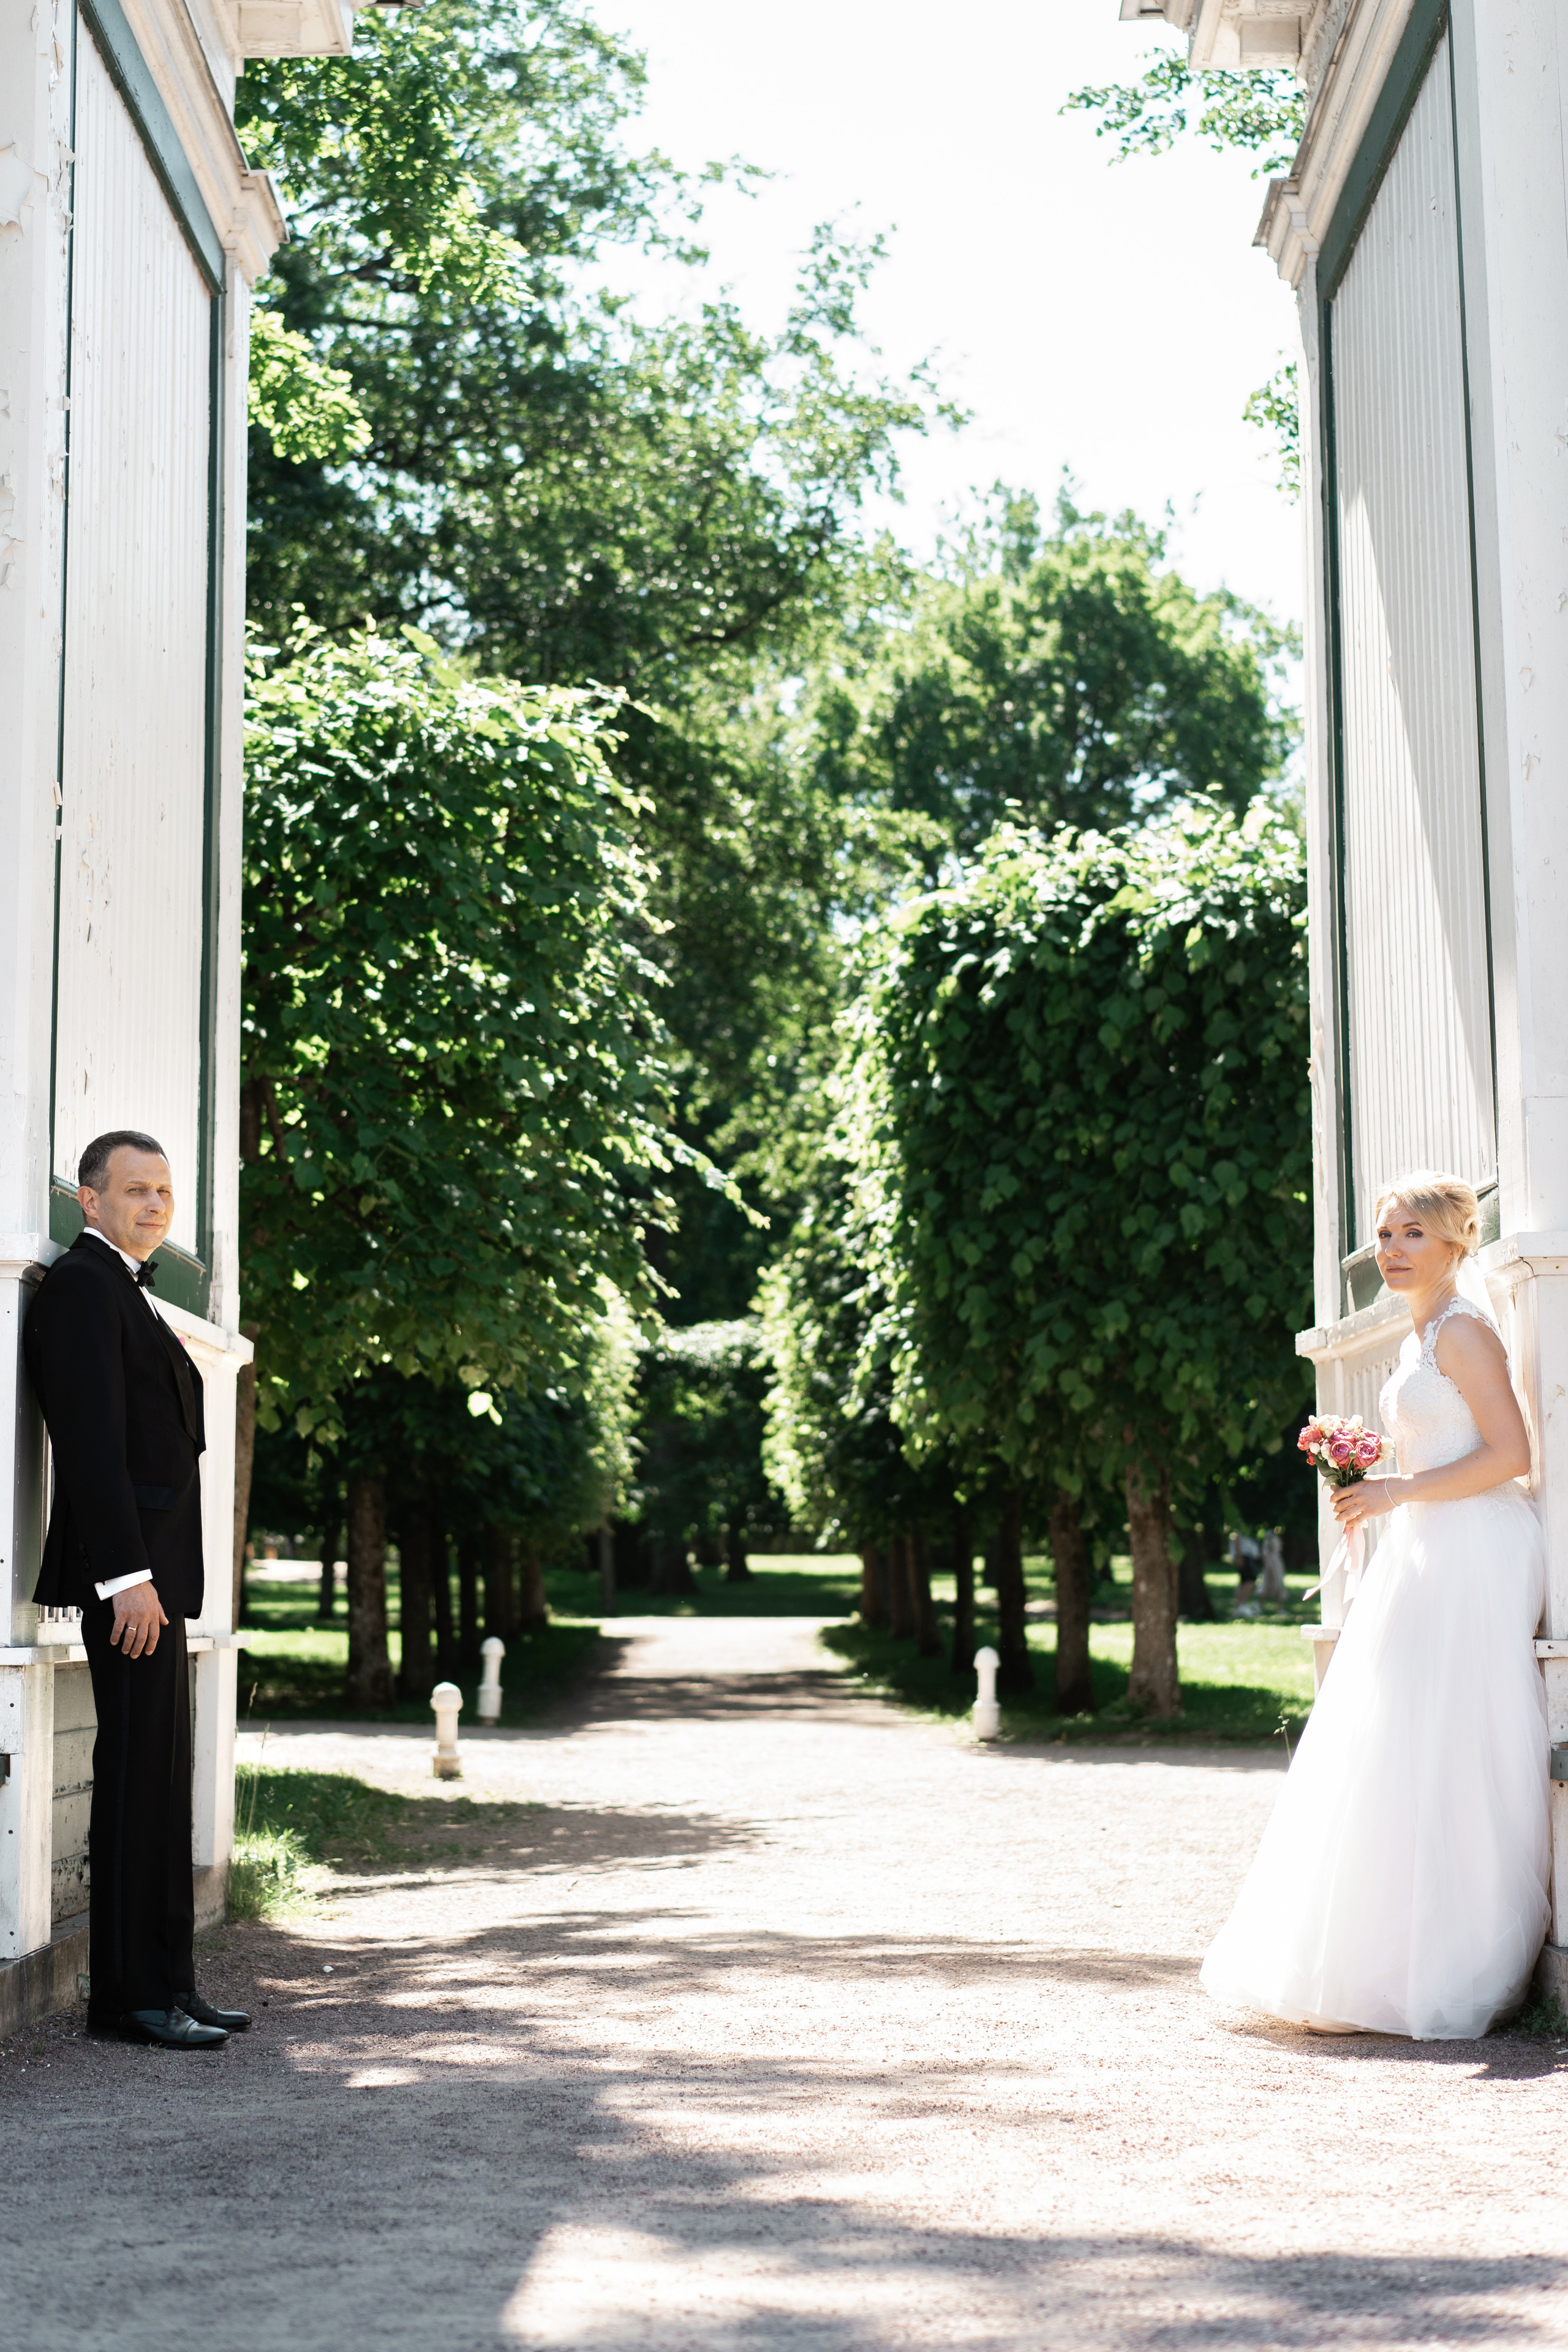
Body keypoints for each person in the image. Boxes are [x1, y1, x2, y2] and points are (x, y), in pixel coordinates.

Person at [1201, 1170, 1550, 2040]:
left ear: (1456, 1243)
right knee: (1392, 1737)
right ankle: (1388, 1952)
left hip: (1475, 1547)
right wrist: (1367, 1482)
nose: (1392, 1251)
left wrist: (1396, 1491)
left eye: (1412, 1236)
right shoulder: (1417, 1334)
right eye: (1386, 1237)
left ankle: (1458, 1955)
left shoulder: (1465, 1332)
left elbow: (1511, 1455)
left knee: (1453, 1739)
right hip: (1429, 1541)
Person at [24, 1130, 251, 2049]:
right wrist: (126, 1578)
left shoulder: (129, 1291)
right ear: (89, 1199)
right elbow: (89, 1447)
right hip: (131, 1587)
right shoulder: (82, 1289)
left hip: (160, 1583)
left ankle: (172, 1985)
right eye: (133, 1190)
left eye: (163, 1191)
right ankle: (127, 2002)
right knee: (132, 1785)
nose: (154, 1204)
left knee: (165, 1784)